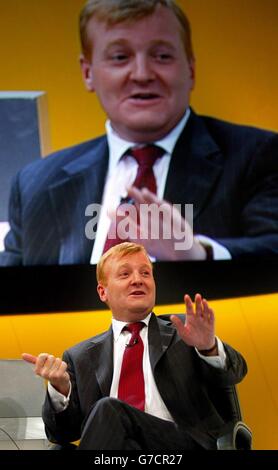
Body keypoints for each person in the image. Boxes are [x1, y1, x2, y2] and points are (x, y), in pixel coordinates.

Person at [1, 0, 278, 266]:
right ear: (88, 73)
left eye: (162, 56)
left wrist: (198, 254)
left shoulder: (257, 157)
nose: (142, 74)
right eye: (120, 57)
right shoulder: (35, 185)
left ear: (191, 69)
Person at [22, 242, 247, 450]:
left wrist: (208, 347)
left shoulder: (185, 332)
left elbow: (234, 373)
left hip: (180, 447)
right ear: (103, 292)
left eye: (145, 273)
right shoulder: (79, 357)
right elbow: (59, 434)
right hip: (115, 452)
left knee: (108, 409)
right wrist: (60, 390)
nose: (138, 280)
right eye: (125, 274)